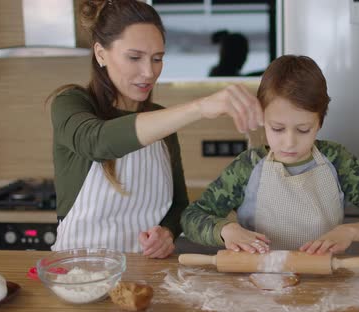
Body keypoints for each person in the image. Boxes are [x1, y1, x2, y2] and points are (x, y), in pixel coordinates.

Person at [47, 0, 263, 258]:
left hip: (147, 276)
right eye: (134, 57)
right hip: (79, 272)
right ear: (101, 53)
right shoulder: (71, 102)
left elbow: (178, 205)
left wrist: (168, 233)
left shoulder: (162, 122)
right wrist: (200, 107)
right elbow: (96, 141)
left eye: (157, 58)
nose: (149, 72)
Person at [181, 55, 359, 254]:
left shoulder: (338, 160)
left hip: (323, 285)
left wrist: (350, 232)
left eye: (303, 130)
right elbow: (191, 218)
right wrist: (226, 230)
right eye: (277, 128)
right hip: (259, 285)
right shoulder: (247, 167)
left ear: (320, 122)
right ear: (262, 117)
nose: (289, 142)